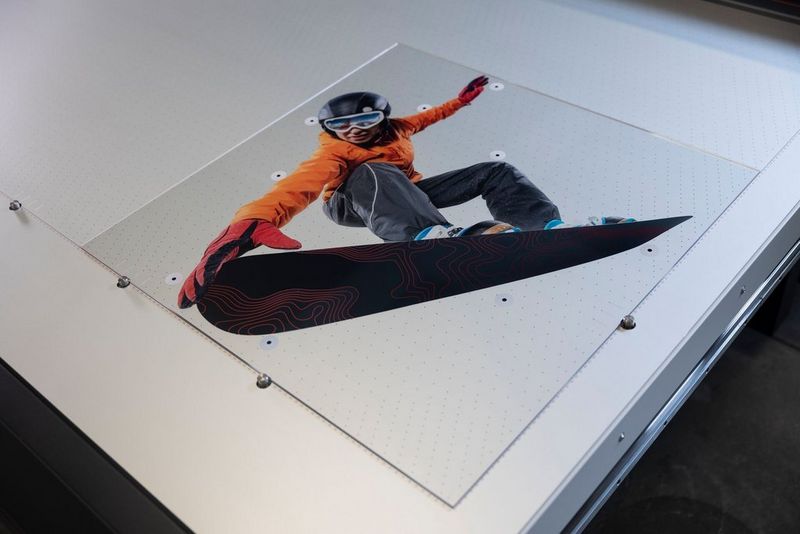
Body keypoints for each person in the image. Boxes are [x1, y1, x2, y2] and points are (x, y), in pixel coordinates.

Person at [179, 76, 605, 309]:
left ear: (381, 118)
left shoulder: (399, 127)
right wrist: (252, 221)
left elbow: (429, 116)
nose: (353, 132)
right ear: (329, 131)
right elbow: (299, 185)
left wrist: (461, 101)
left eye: (363, 122)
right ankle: (426, 237)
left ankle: (541, 227)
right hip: (350, 201)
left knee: (495, 171)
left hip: (406, 193)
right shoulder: (335, 153)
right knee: (374, 168)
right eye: (341, 127)